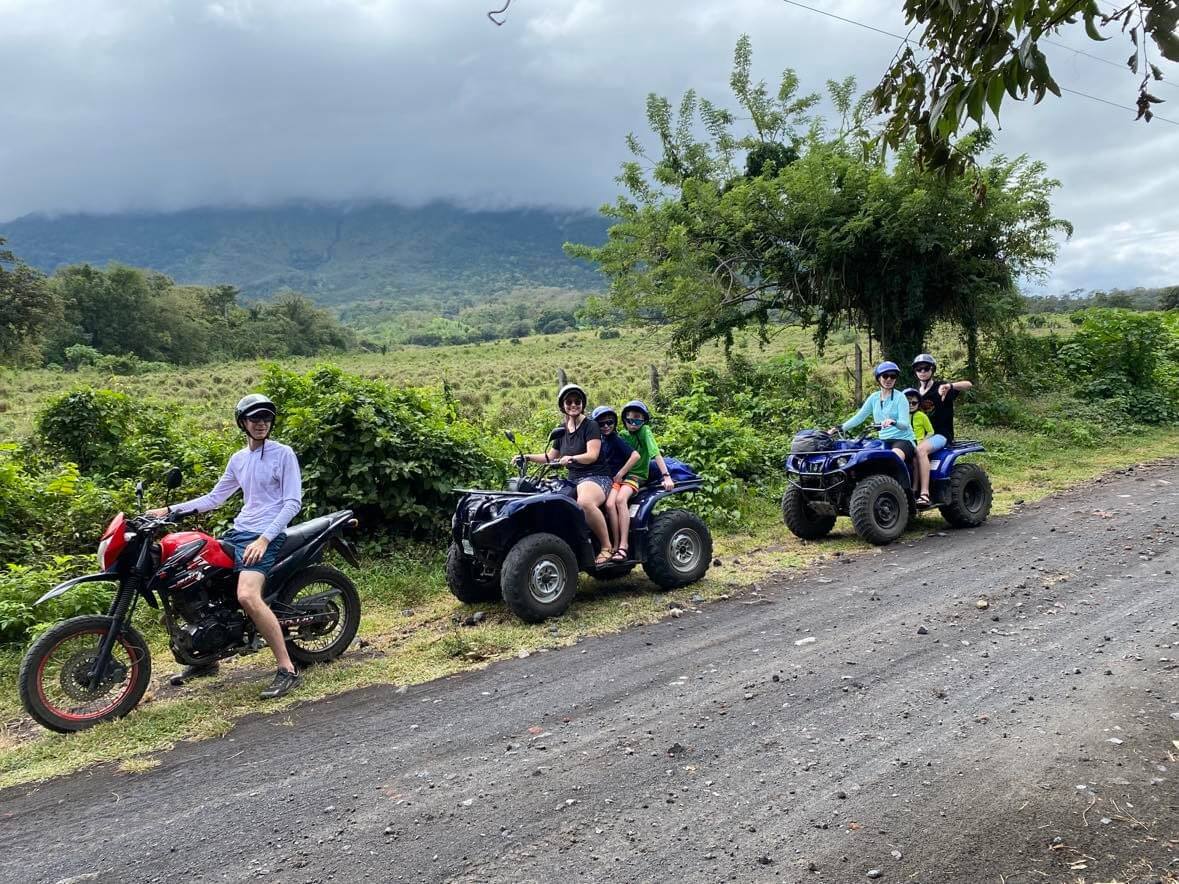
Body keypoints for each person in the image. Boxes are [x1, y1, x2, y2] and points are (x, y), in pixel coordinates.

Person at [147, 393, 304, 700]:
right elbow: (214, 498)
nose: (261, 424)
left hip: (267, 536)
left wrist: (264, 538)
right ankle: (206, 660)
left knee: (247, 595)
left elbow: (292, 502)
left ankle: (287, 669)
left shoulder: (283, 454)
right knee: (192, 582)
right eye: (254, 419)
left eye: (266, 418)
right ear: (242, 423)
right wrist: (169, 511)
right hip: (239, 532)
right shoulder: (239, 459)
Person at [516, 384, 615, 565]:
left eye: (577, 401)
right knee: (550, 502)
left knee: (584, 502)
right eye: (568, 402)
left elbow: (592, 455)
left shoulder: (591, 425)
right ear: (563, 405)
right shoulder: (562, 429)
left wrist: (572, 458)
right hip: (573, 480)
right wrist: (526, 457)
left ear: (582, 404)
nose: (573, 405)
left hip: (596, 476)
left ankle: (607, 547)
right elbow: (551, 457)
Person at [613, 400, 675, 562]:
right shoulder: (622, 435)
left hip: (636, 476)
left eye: (637, 419)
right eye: (629, 419)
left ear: (644, 420)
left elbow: (655, 453)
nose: (633, 423)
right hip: (620, 476)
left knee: (620, 500)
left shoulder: (645, 431)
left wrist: (666, 476)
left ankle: (623, 546)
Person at [829, 361, 917, 472]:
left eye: (893, 376)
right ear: (878, 378)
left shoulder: (901, 397)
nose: (889, 379)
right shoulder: (874, 397)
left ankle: (895, 487)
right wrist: (840, 428)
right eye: (885, 376)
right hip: (883, 440)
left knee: (893, 459)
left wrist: (893, 422)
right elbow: (859, 417)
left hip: (903, 440)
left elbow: (905, 425)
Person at [592, 406, 640, 556]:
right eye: (602, 424)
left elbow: (635, 456)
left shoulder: (615, 439)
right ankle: (613, 543)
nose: (606, 426)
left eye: (609, 422)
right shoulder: (599, 441)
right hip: (611, 482)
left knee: (613, 503)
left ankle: (621, 545)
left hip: (625, 480)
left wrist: (621, 473)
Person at [911, 353, 973, 452]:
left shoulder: (941, 387)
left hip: (941, 434)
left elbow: (968, 385)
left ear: (932, 369)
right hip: (920, 435)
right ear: (915, 371)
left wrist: (950, 386)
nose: (922, 371)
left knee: (919, 451)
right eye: (919, 369)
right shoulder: (914, 393)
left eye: (926, 368)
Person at [904, 387, 935, 506]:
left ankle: (915, 490)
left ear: (918, 403)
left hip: (918, 444)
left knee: (916, 460)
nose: (911, 405)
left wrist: (923, 442)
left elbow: (931, 431)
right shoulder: (902, 416)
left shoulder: (922, 416)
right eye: (908, 402)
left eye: (914, 403)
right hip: (906, 443)